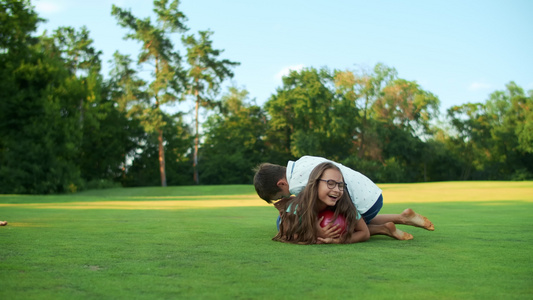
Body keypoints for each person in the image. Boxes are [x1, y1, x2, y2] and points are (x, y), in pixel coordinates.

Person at [254, 155, 434, 240]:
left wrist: (310, 230)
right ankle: (400, 218)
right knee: (357, 218)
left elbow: (311, 211)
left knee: (289, 221)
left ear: (281, 184)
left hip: (358, 202)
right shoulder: (302, 161)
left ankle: (383, 229)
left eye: (281, 195)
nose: (288, 195)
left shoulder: (297, 184)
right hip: (372, 196)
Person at [273, 162, 370, 244]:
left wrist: (336, 240)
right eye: (330, 183)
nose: (337, 190)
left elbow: (364, 233)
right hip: (294, 220)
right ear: (315, 184)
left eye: (340, 185)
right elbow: (288, 235)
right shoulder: (297, 207)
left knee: (355, 225)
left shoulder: (344, 202)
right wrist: (315, 234)